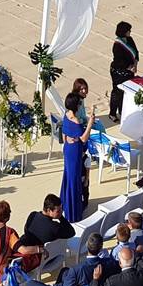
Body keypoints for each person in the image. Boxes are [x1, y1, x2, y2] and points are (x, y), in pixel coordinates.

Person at [60, 92, 94, 221]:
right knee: (74, 180)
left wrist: (67, 144)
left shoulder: (66, 115)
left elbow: (64, 133)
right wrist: (90, 123)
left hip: (68, 149)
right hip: (74, 151)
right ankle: (73, 211)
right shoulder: (76, 120)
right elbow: (84, 138)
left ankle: (65, 202)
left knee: (68, 176)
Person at [17, 194, 76, 265]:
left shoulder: (32, 215)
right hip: (46, 258)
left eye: (61, 209)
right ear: (48, 210)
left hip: (29, 251)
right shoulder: (54, 227)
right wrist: (61, 217)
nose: (61, 211)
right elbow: (71, 232)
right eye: (58, 211)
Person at [109, 21, 139, 123]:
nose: (130, 32)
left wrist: (135, 64)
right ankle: (112, 113)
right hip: (118, 72)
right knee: (117, 92)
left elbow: (136, 52)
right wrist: (129, 67)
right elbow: (119, 61)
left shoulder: (129, 39)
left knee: (125, 92)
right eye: (128, 30)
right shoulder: (117, 45)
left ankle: (122, 111)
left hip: (129, 71)